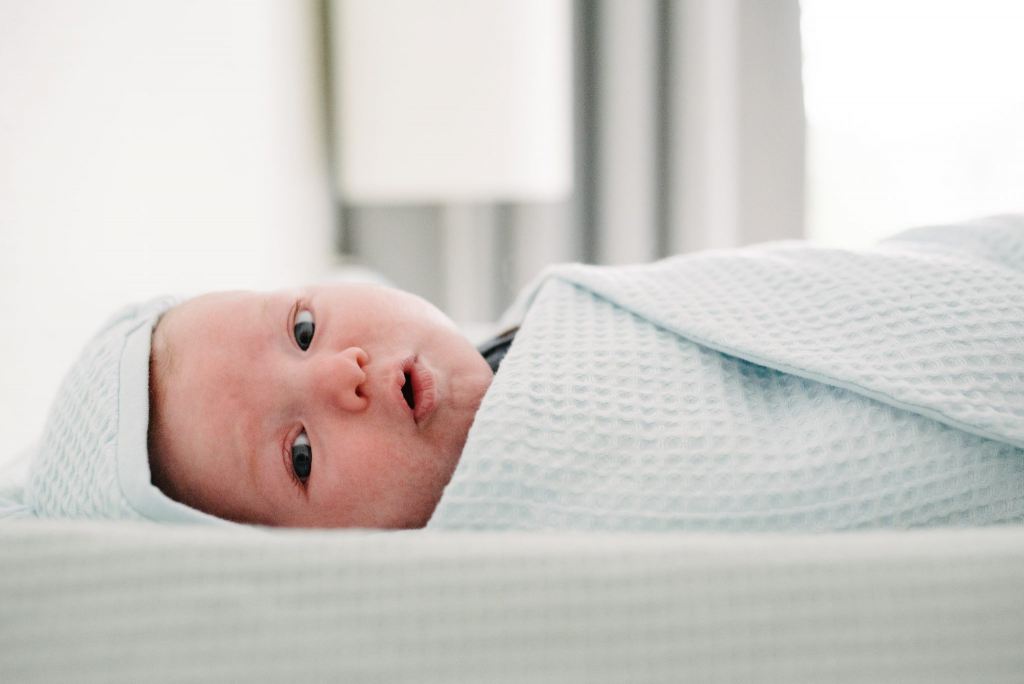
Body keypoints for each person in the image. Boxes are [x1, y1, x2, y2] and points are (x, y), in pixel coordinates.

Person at [24, 214, 1024, 529]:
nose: (343, 376)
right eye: (298, 455)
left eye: (302, 327)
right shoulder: (515, 524)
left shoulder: (538, 327)